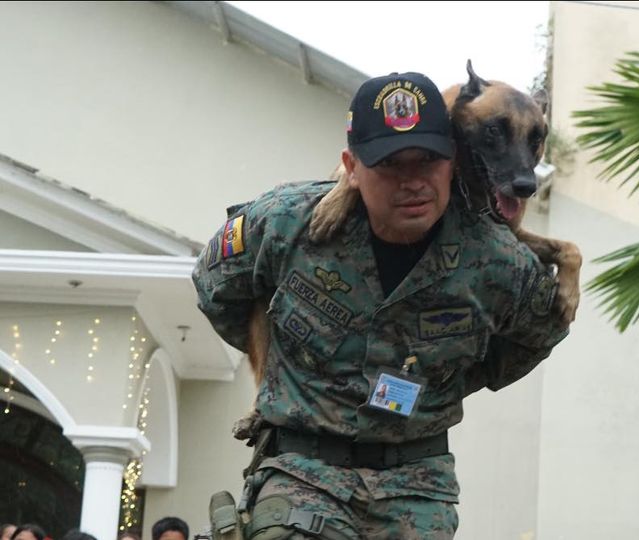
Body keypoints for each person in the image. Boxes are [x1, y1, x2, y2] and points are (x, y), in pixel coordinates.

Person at [193, 71, 570, 539]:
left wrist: (445, 383)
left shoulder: (499, 260)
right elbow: (217, 289)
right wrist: (285, 372)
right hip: (301, 471)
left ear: (453, 160)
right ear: (351, 167)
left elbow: (539, 333)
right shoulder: (286, 223)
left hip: (416, 485)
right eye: (391, 164)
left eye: (428, 161)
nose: (412, 182)